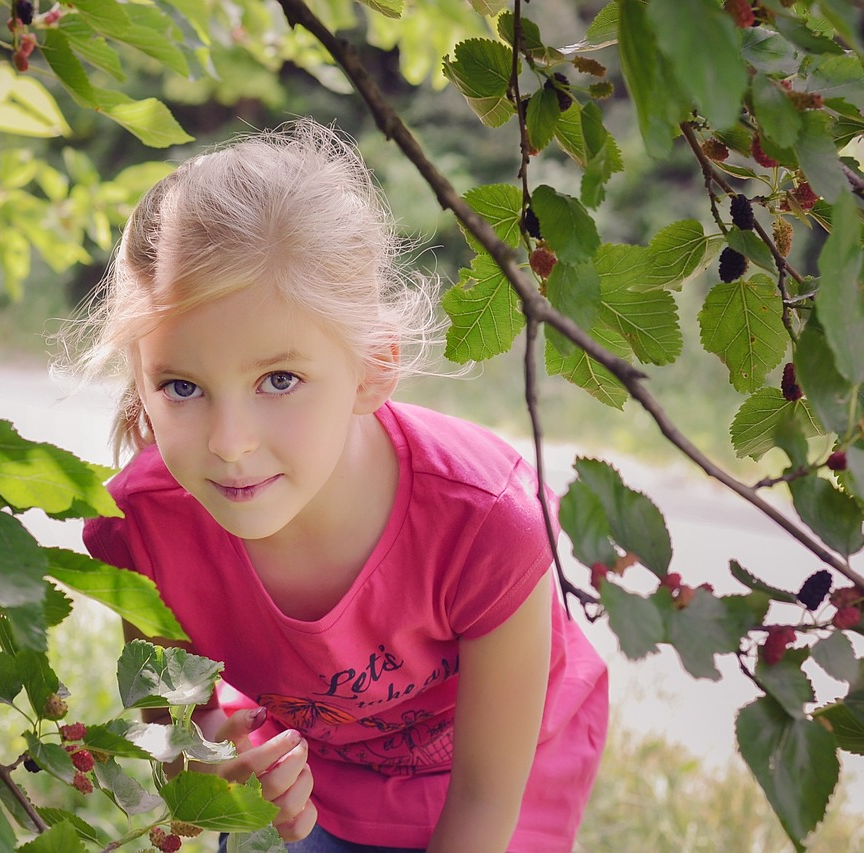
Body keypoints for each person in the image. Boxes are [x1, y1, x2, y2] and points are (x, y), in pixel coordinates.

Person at [74, 121, 608, 852]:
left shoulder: (485, 524)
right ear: (140, 380)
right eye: (182, 385)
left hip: (496, 777)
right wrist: (213, 772)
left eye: (280, 379)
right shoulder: (147, 528)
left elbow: (486, 800)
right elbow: (171, 738)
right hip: (315, 774)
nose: (231, 443)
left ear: (371, 367)